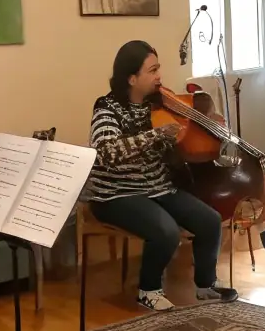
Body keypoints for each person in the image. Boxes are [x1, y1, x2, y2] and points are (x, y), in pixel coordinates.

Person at [86, 41, 237, 311]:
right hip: (115, 195)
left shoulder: (160, 104)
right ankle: (148, 289)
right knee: (166, 231)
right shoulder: (106, 108)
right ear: (132, 78)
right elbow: (106, 153)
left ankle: (205, 285)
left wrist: (203, 135)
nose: (159, 76)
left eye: (158, 68)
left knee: (209, 221)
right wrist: (156, 135)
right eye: (152, 70)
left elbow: (179, 142)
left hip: (157, 188)